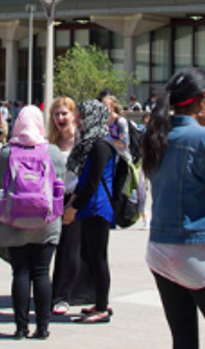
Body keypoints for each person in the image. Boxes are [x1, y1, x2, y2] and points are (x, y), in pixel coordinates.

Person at [143, 67, 205, 349]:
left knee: (184, 339)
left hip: (159, 249)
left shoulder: (158, 133)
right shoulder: (204, 140)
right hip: (193, 250)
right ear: (201, 102)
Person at [0, 106, 65, 339]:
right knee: (41, 273)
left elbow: (0, 183)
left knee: (20, 272)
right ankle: (43, 328)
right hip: (46, 221)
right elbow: (60, 183)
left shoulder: (6, 153)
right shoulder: (52, 152)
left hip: (15, 220)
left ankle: (21, 328)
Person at [62, 100, 116, 324]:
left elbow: (93, 182)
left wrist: (74, 207)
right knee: (93, 256)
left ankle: (102, 308)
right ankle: (100, 301)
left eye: (81, 116)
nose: (77, 120)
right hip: (91, 205)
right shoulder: (92, 141)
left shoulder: (100, 143)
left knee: (99, 257)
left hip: (97, 207)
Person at [48, 97, 94, 315]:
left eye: (64, 113)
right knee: (59, 247)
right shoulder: (51, 142)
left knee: (71, 248)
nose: (60, 118)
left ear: (74, 115)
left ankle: (63, 296)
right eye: (56, 114)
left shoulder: (82, 141)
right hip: (54, 198)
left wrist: (74, 204)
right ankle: (63, 293)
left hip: (76, 198)